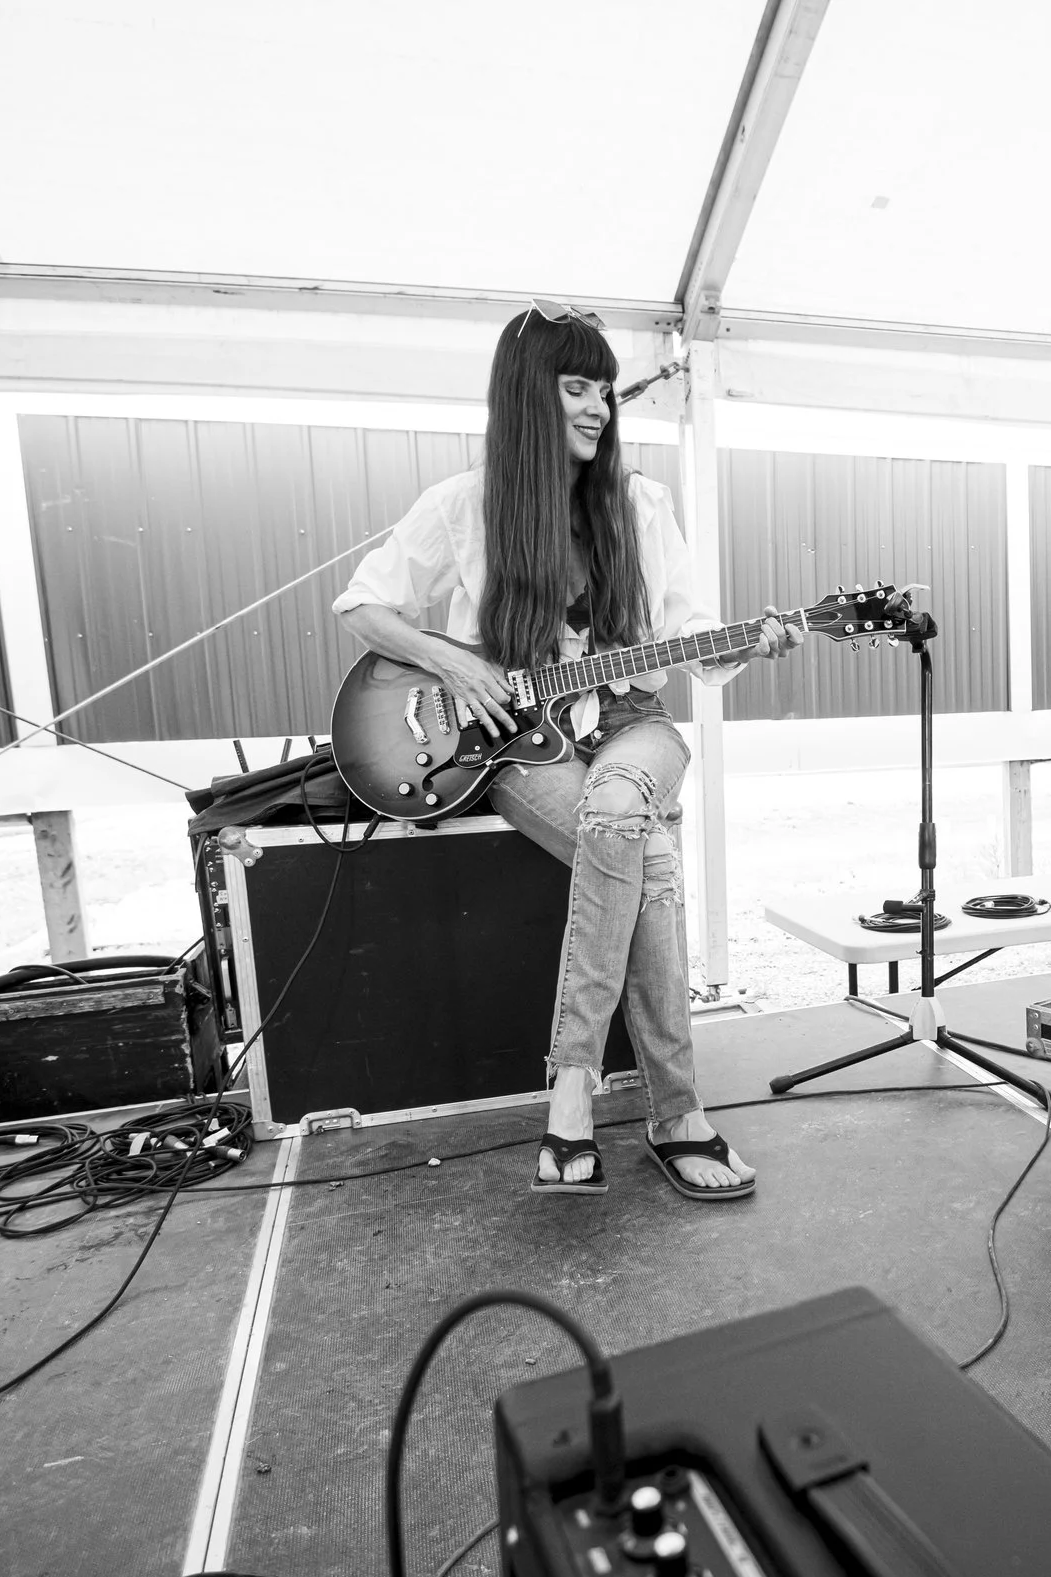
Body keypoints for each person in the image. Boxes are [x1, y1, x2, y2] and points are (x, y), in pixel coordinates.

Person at [332, 301, 801, 1200]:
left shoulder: (641, 504)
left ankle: (572, 1094)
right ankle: (677, 1116)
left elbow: (689, 635)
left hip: (636, 728)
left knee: (626, 805)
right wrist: (451, 665)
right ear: (526, 397)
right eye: (576, 386)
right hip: (516, 747)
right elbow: (362, 604)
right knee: (646, 851)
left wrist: (742, 642)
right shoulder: (464, 506)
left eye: (606, 390)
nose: (598, 406)